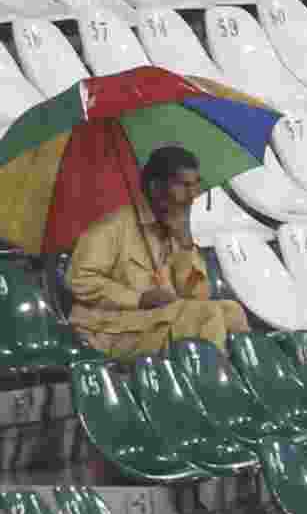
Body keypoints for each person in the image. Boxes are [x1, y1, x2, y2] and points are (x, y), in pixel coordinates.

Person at [65, 145, 250, 357]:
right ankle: (211, 384)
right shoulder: (111, 227)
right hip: (110, 331)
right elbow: (79, 280)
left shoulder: (175, 225)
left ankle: (243, 382)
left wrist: (186, 246)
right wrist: (139, 299)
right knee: (204, 315)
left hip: (159, 321)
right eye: (183, 185)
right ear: (155, 187)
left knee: (231, 310)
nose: (193, 195)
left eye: (196, 185)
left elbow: (198, 295)